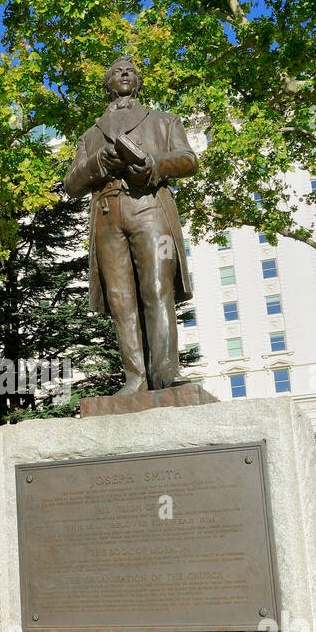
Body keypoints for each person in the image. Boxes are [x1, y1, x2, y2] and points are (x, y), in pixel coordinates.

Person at [64, 56, 199, 394]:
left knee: (157, 289)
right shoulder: (90, 134)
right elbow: (71, 184)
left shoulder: (164, 120)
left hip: (149, 208)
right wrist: (98, 162)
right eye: (116, 71)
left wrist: (153, 163)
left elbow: (188, 159)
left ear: (138, 82)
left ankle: (166, 371)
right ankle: (135, 379)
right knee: (121, 299)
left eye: (131, 71)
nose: (124, 74)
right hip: (107, 216)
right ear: (107, 83)